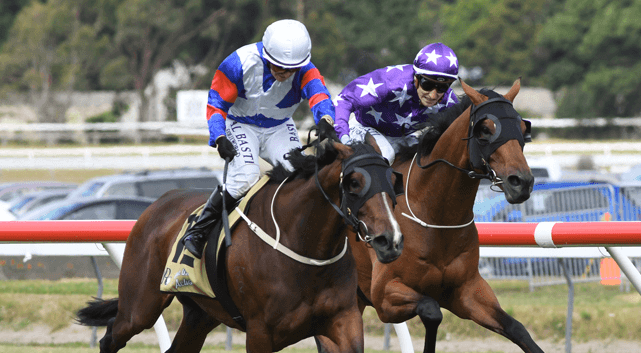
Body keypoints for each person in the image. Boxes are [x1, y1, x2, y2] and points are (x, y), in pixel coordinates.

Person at [183, 19, 337, 259]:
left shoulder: (306, 69)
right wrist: (219, 136)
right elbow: (216, 104)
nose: (284, 73)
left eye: (291, 69)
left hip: (279, 127)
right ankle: (197, 231)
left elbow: (319, 95)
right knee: (245, 178)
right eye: (278, 66)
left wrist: (326, 121)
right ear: (266, 56)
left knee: (298, 177)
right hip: (240, 124)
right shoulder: (238, 63)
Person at [334, 42, 460, 165]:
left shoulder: (449, 101)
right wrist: (344, 138)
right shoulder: (390, 83)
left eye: (442, 88)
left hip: (402, 136)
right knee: (386, 154)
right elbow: (343, 100)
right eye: (428, 85)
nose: (433, 95)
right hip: (364, 127)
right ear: (416, 79)